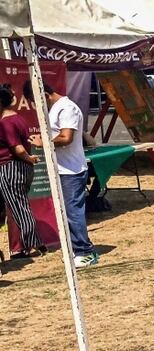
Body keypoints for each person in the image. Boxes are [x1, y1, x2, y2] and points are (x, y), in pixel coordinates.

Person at [24, 81, 97, 267]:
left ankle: (85, 251)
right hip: (62, 169)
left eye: (37, 100)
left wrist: (44, 142)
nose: (36, 106)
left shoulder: (66, 108)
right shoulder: (56, 108)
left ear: (45, 95)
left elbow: (66, 137)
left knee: (74, 212)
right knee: (68, 213)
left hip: (71, 170)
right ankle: (77, 248)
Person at [0, 83, 43, 260]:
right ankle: (32, 243)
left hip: (11, 167)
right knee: (20, 206)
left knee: (19, 208)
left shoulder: (5, 123)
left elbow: (17, 148)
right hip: (22, 169)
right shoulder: (18, 118)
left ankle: (32, 244)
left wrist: (28, 158)